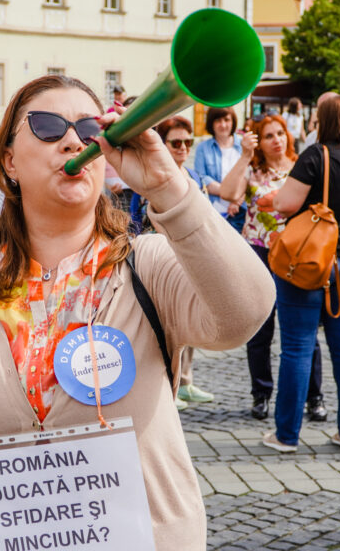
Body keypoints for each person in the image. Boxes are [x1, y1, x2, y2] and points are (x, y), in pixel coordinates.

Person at [0, 74, 275, 549]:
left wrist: (169, 186)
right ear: (9, 161)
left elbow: (246, 312)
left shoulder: (146, 266)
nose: (72, 139)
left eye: (88, 129)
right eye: (47, 126)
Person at [265, 94, 340, 453]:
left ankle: (286, 436)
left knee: (298, 348)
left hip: (311, 262)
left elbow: (286, 204)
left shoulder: (317, 156)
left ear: (323, 120)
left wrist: (272, 200)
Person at [219, 115, 327, 422]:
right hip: (259, 254)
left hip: (294, 254)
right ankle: (261, 394)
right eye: (268, 136)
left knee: (303, 330)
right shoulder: (253, 170)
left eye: (280, 133)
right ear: (259, 142)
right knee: (260, 330)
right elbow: (228, 194)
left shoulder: (300, 168)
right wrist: (244, 156)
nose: (277, 139)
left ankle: (314, 396)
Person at [134, 115, 214, 410]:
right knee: (166, 324)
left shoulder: (192, 177)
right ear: (163, 145)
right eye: (176, 143)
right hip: (162, 259)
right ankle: (169, 385)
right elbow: (140, 220)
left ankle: (187, 379)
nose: (183, 148)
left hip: (192, 257)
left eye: (188, 142)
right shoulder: (151, 177)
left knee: (193, 317)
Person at [193, 106, 245, 232]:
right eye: (218, 121)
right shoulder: (203, 148)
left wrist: (237, 201)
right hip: (214, 211)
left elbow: (249, 176)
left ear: (233, 122)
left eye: (227, 120)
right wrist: (231, 195)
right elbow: (201, 177)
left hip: (240, 211)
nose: (223, 124)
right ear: (211, 123)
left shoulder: (243, 145)